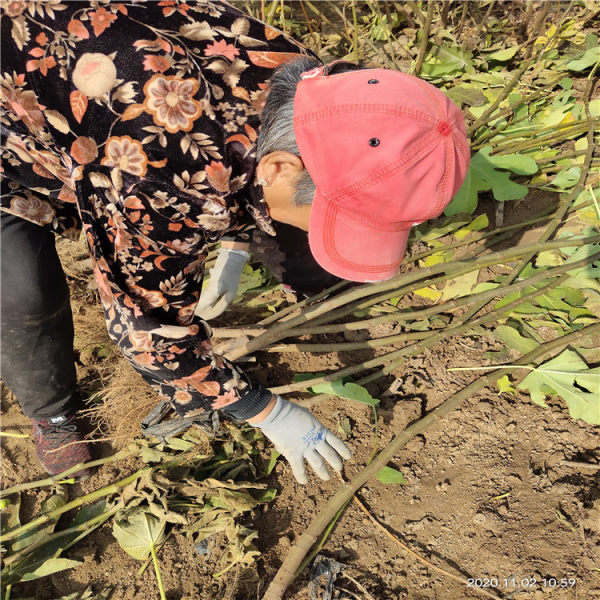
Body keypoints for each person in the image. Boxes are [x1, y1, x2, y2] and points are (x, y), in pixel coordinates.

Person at [0, 1, 469, 484]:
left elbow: (238, 143)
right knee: (24, 292)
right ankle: (51, 412)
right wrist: (265, 411)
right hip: (15, 119)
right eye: (329, 216)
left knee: (300, 248)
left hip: (98, 86)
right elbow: (146, 328)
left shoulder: (327, 89)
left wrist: (236, 246)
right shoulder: (159, 183)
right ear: (281, 169)